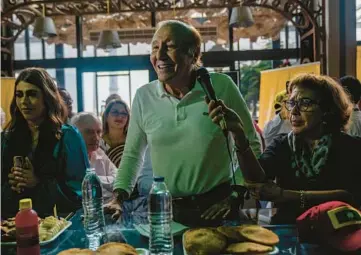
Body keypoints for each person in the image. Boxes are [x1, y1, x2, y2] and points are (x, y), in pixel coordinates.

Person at [105, 20, 261, 226]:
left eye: (169, 47)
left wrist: (236, 193)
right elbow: (132, 156)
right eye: (154, 47)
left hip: (219, 208)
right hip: (167, 210)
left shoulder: (221, 86)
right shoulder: (144, 96)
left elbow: (252, 143)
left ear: (193, 54)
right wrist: (118, 198)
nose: (159, 55)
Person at [207, 73, 361, 224]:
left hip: (336, 231)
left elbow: (350, 197)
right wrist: (238, 134)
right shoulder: (282, 144)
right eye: (292, 103)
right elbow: (255, 180)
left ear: (327, 109)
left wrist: (285, 195)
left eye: (305, 103)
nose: (294, 111)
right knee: (230, 221)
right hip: (288, 228)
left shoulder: (351, 147)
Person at [1, 68, 89, 217]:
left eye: (32, 94)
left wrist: (37, 182)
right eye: (19, 95)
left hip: (59, 226)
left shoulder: (67, 136)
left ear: (47, 97)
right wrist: (11, 184)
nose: (24, 101)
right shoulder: (7, 138)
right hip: (13, 226)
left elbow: (80, 192)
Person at [71, 112, 117, 203]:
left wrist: (94, 180)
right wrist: (107, 184)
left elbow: (117, 181)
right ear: (75, 133)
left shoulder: (100, 152)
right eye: (89, 132)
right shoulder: (69, 157)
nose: (96, 137)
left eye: (99, 132)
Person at [100, 99, 130, 167]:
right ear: (106, 116)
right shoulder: (100, 142)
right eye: (115, 112)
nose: (120, 116)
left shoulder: (132, 140)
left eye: (124, 113)